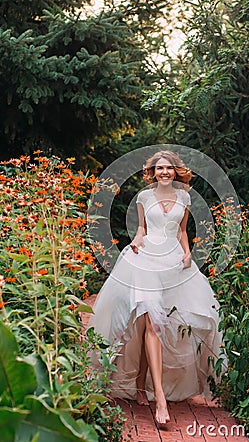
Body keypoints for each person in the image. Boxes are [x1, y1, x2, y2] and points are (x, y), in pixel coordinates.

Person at [91, 150, 226, 425]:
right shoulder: (143, 197)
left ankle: (141, 380)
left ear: (176, 171)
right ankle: (161, 400)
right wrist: (136, 242)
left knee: (172, 320)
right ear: (153, 172)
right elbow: (141, 228)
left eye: (168, 168)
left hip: (174, 262)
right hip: (146, 260)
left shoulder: (185, 197)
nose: (164, 172)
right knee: (152, 321)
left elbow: (181, 231)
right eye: (159, 168)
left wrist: (188, 253)